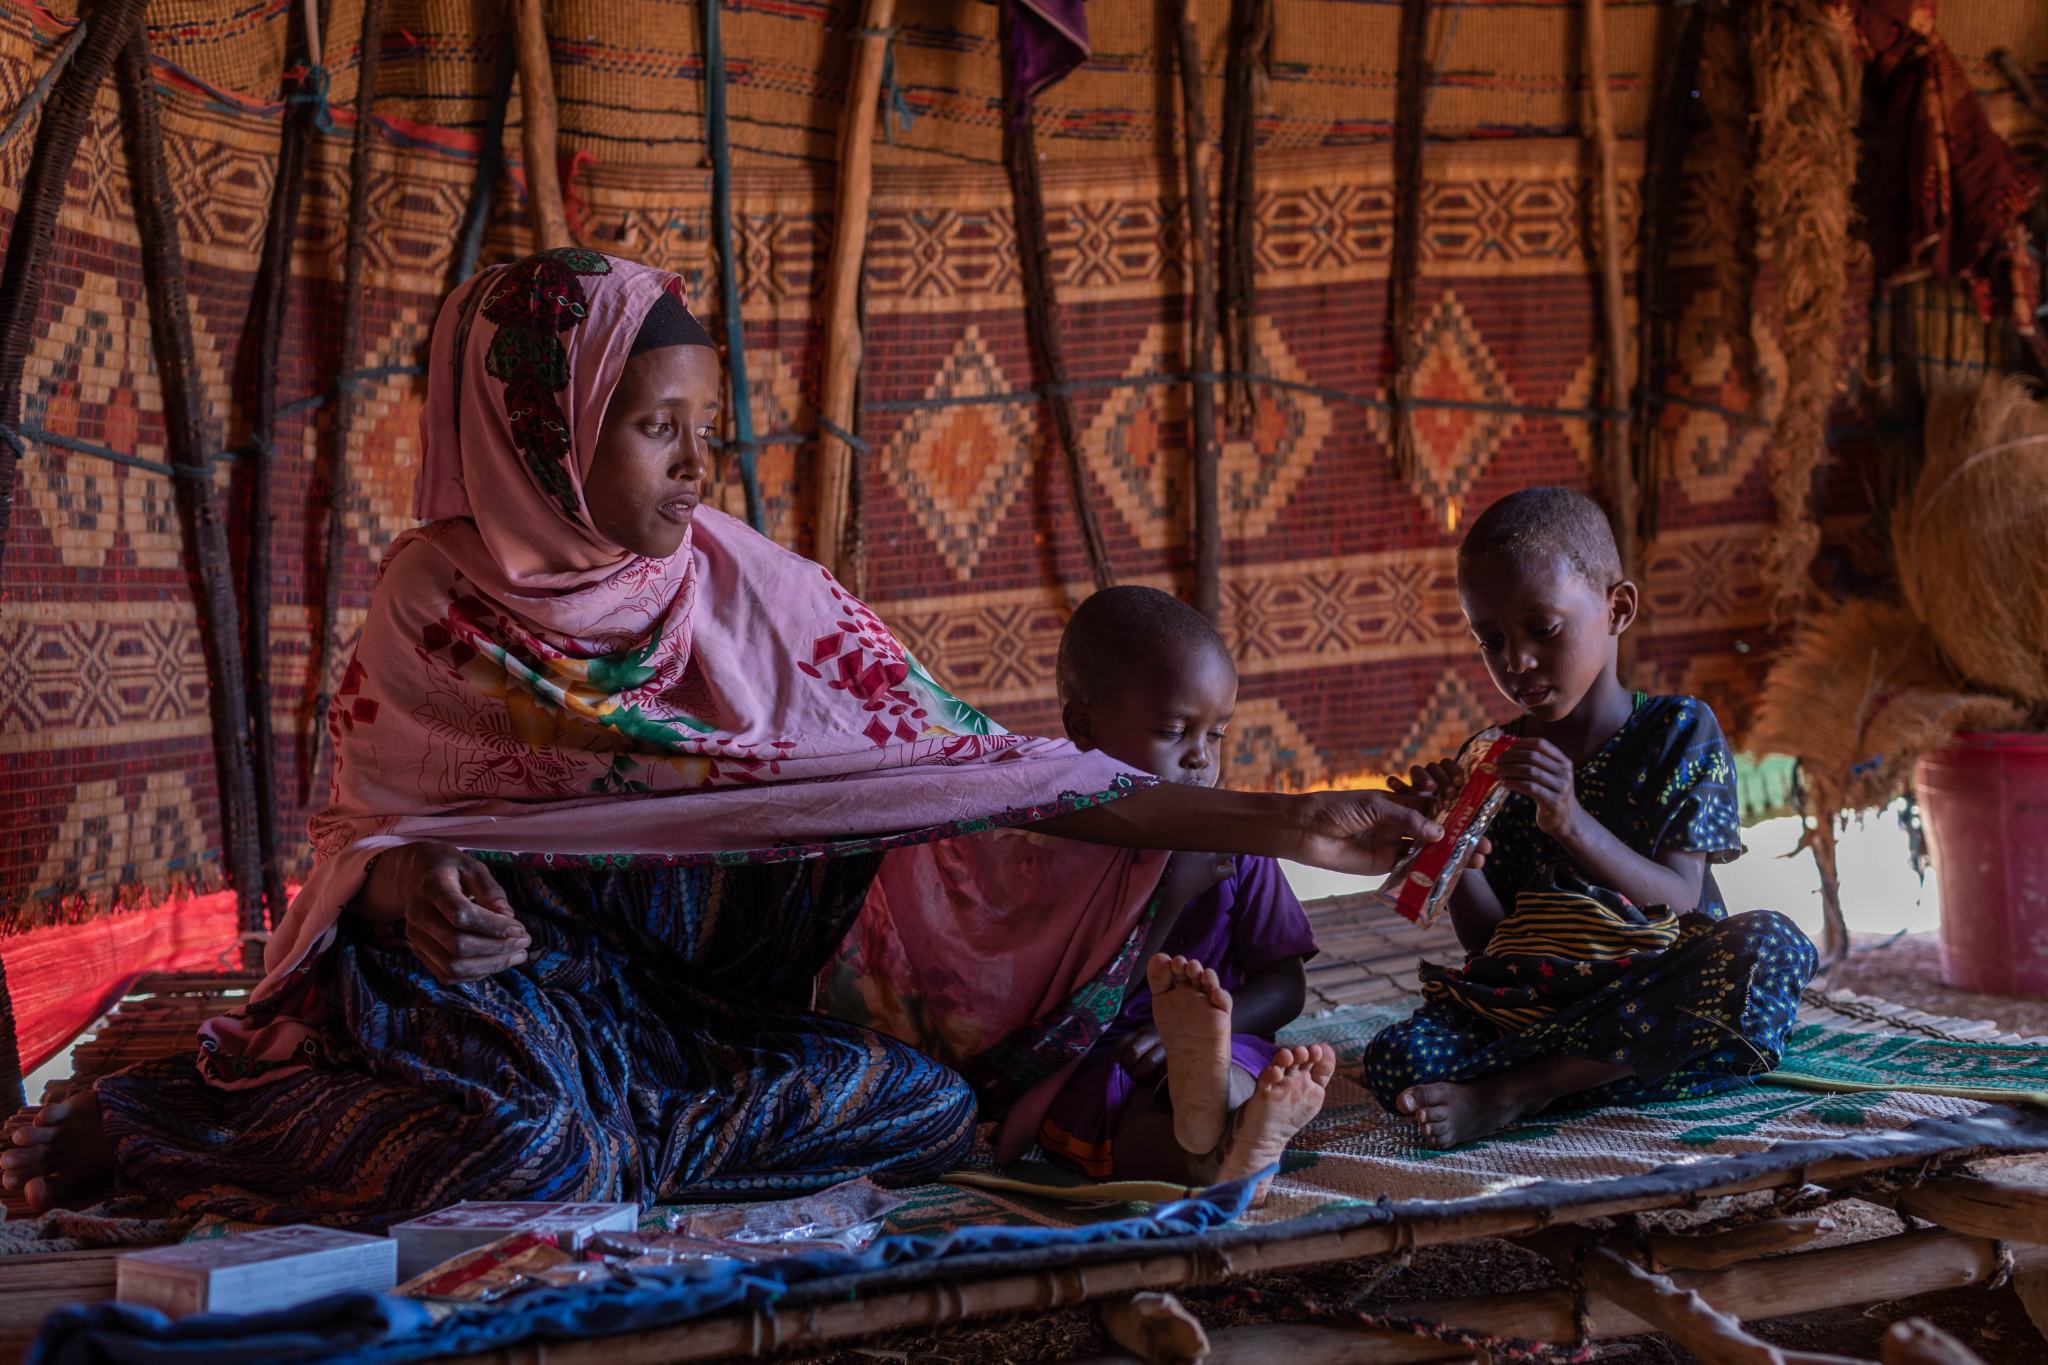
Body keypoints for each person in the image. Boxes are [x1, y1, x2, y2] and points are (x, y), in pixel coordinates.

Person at [3, 250, 1439, 1223]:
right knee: (527, 1147)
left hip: (691, 1014)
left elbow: (989, 770)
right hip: (494, 991)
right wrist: (403, 885)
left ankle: (600, 1157)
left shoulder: (758, 594)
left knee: (926, 1107)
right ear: (539, 427)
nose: (701, 463)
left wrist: (1289, 824)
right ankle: (153, 1125)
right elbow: (360, 834)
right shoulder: (437, 604)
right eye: (653, 427)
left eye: (704, 424)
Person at [1362, 487, 1817, 1148]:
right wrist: (1452, 849)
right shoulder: (1491, 759)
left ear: (1617, 608)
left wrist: (1571, 819)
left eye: (1541, 628)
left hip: (1658, 981)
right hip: (1542, 1005)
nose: (1515, 661)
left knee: (1769, 949)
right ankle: (1601, 1070)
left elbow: (1681, 898)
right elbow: (1492, 948)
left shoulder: (1679, 729)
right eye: (1491, 640)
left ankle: (1521, 1090)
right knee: (1396, 1061)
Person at [1030, 587, 1334, 1193]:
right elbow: (1061, 1014)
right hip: (1099, 1048)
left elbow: (1285, 985)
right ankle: (1219, 1153)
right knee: (1122, 1113)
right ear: (1083, 728)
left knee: (1234, 1073)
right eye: (1176, 731)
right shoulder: (1059, 846)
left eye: (1216, 734)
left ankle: (1234, 1117)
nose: (1201, 760)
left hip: (1220, 1042)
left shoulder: (1236, 839)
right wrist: (1171, 895)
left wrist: (1208, 1034)